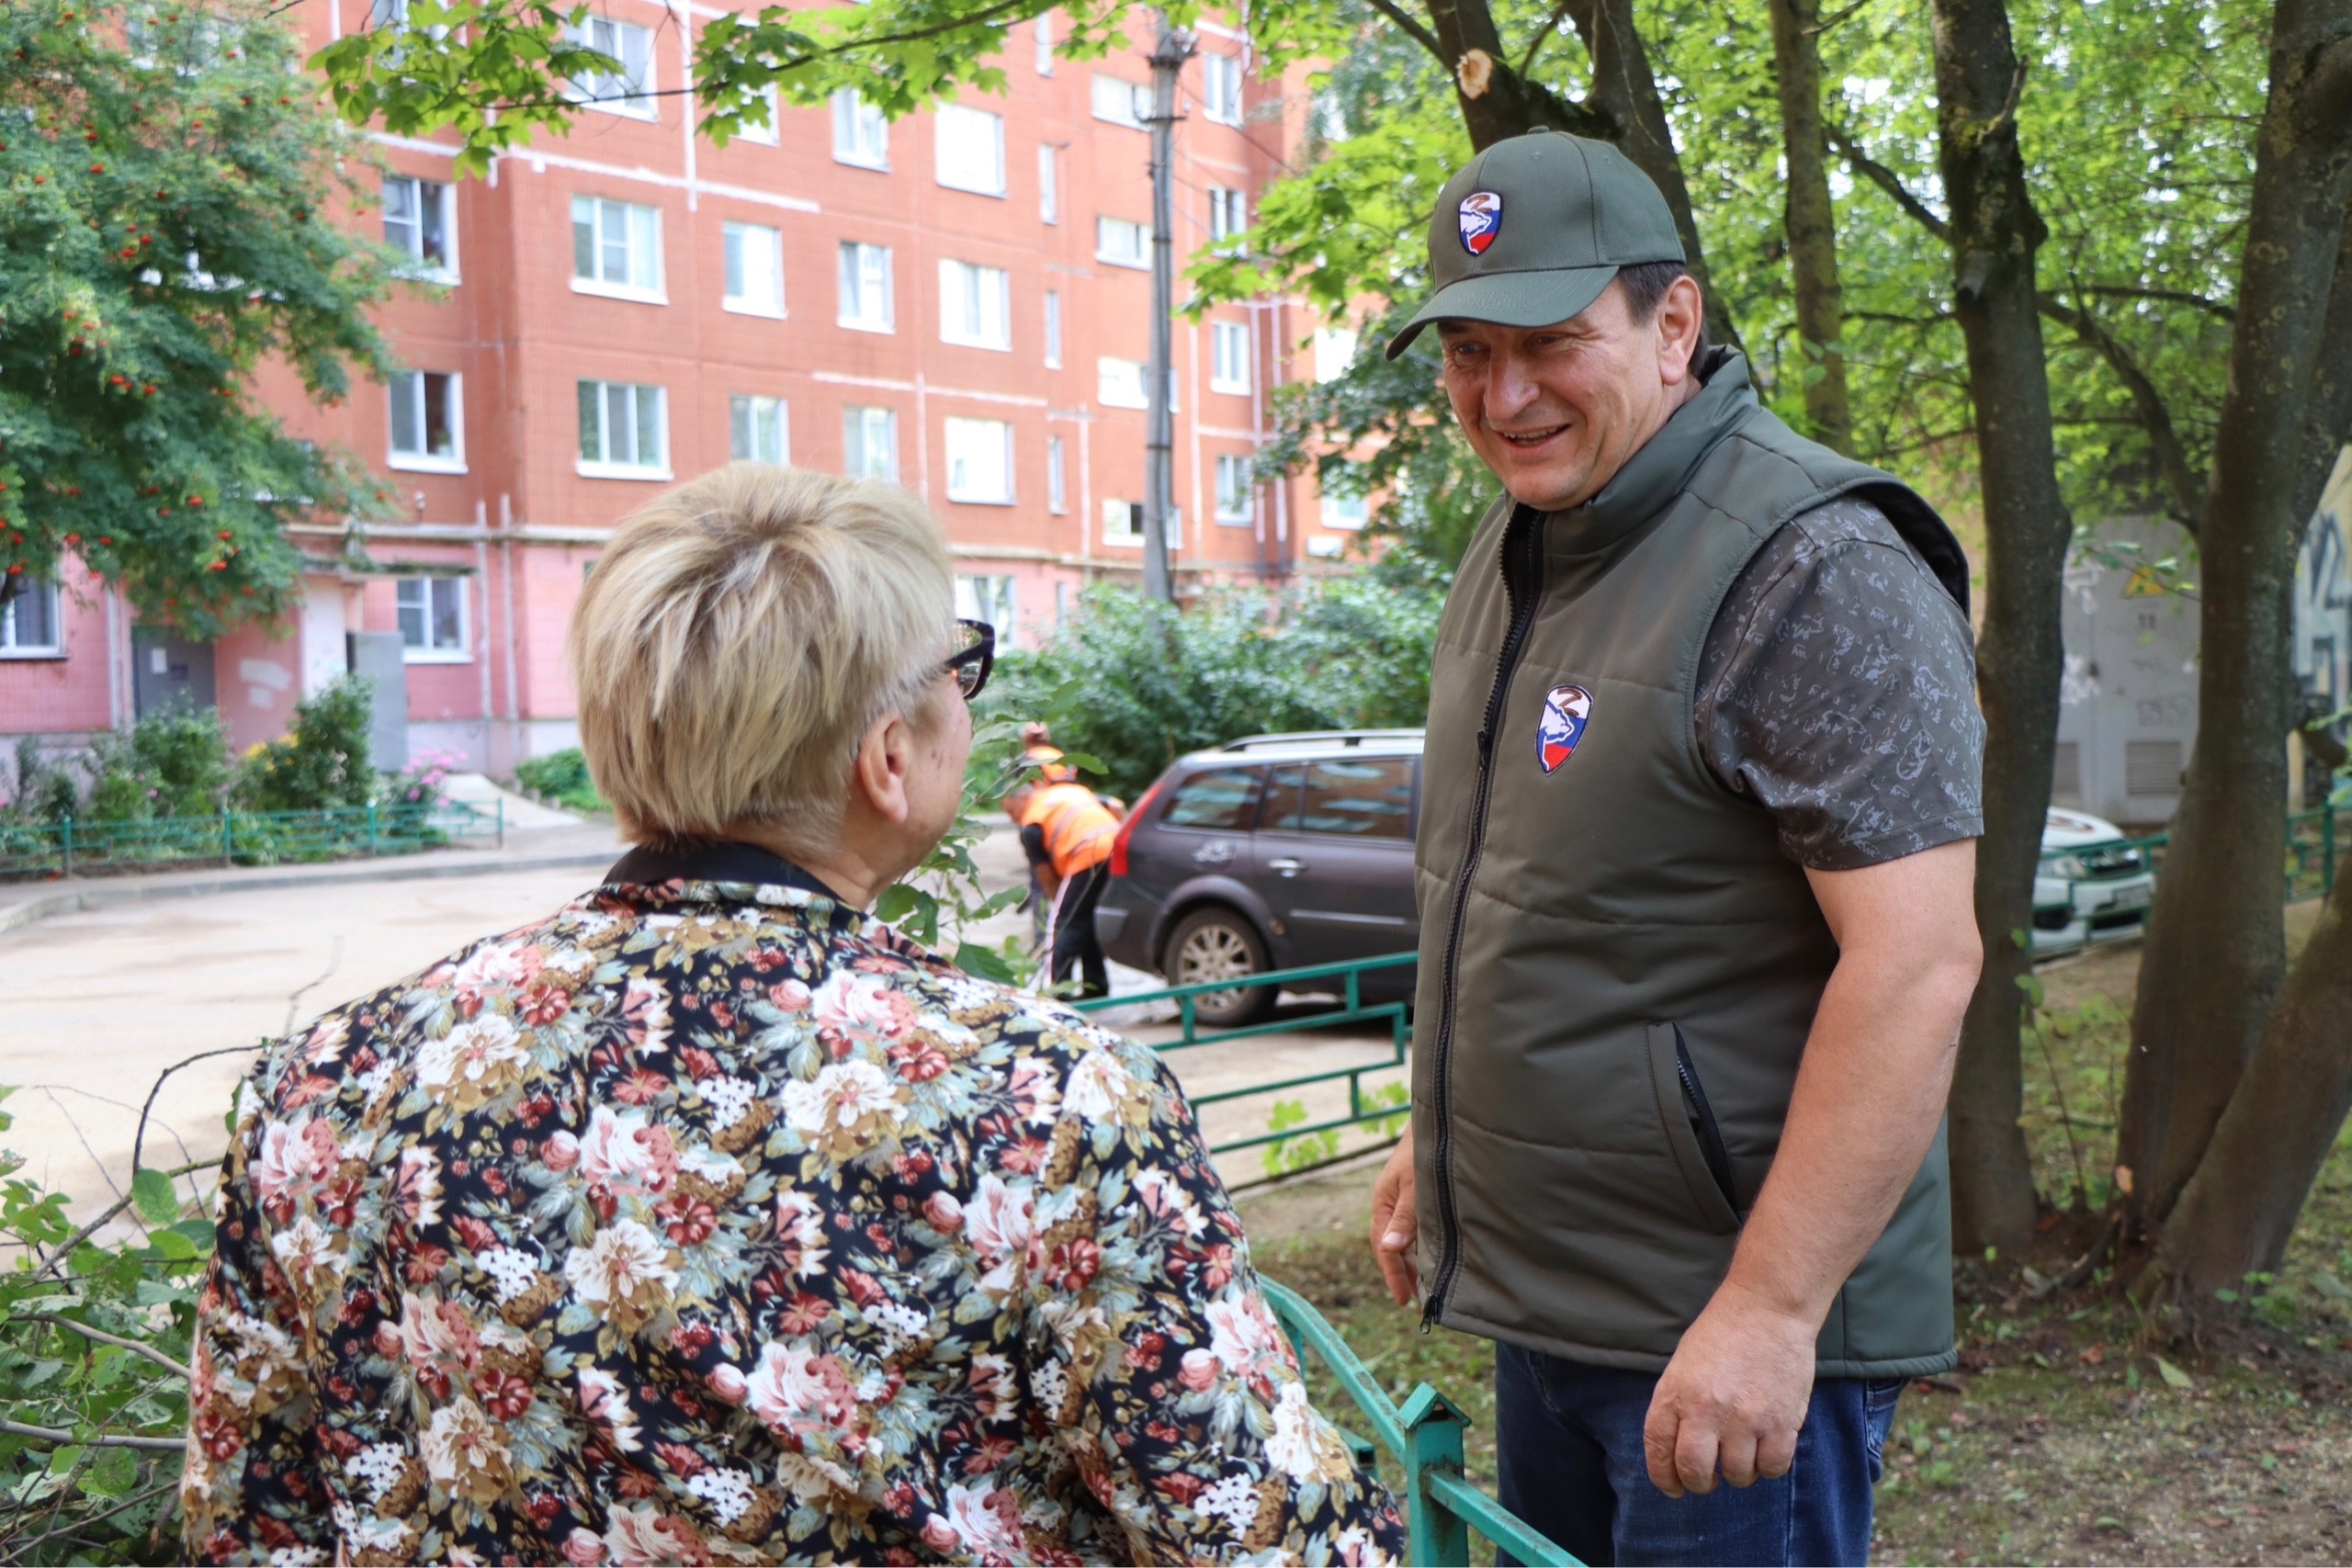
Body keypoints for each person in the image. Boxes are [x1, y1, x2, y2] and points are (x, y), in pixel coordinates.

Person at [181, 463, 1405, 1566]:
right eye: (959, 670)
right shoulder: (1048, 1100)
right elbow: (1268, 1537)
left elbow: (248, 1522)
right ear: (887, 756)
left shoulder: (325, 1080)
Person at [1369, 130, 1985, 1567]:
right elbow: (1537, 901)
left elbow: (1916, 964)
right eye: (1466, 349)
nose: (1501, 395)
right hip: (1557, 1299)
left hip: (1721, 1332)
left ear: (1675, 323)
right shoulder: (1530, 536)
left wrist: (1771, 1310)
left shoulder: (1815, 564)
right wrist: (1441, 1144)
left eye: (1546, 343)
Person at [1004, 770, 1119, 999]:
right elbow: (1116, 806)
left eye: (1010, 811)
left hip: (1088, 853)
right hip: (1115, 848)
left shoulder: (1031, 823)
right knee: (1085, 920)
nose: (1012, 819)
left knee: (1062, 924)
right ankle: (1096, 987)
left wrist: (1059, 904)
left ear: (1022, 798)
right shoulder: (1068, 791)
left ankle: (1057, 994)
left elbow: (1046, 878)